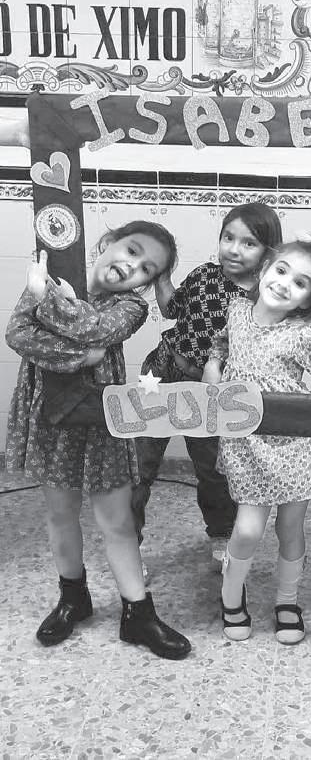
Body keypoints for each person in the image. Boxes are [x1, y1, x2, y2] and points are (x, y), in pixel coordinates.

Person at [5, 222, 191, 659]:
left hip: (102, 421)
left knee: (117, 521)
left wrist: (48, 301)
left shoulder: (130, 307)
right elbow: (17, 335)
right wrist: (79, 355)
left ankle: (138, 613)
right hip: (51, 418)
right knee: (60, 514)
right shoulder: (49, 280)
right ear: (108, 244)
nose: (132, 266)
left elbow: (96, 331)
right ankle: (73, 597)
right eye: (131, 250)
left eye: (146, 269)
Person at [202, 240, 311, 644]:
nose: (285, 283)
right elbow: (222, 343)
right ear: (263, 271)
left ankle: (287, 601)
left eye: (301, 282)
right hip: (246, 446)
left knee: (290, 528)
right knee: (247, 530)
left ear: (307, 299)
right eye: (281, 270)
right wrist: (213, 364)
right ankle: (231, 597)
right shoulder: (236, 311)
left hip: (296, 448)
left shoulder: (307, 334)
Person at [131, 203, 283, 566]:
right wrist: (162, 274)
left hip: (212, 391)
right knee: (139, 465)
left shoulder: (267, 297)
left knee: (214, 471)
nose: (234, 249)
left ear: (268, 251)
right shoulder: (203, 275)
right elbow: (171, 309)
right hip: (162, 374)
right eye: (228, 237)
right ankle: (128, 546)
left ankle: (222, 534)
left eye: (248, 243)